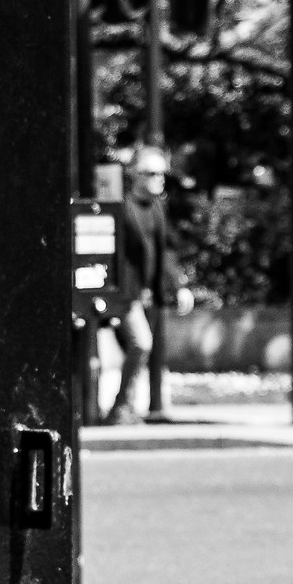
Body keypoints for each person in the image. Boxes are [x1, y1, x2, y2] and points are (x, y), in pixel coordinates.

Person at [105, 144, 170, 424]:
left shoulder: (156, 208)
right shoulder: (123, 207)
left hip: (145, 294)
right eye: (152, 173)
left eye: (162, 173)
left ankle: (125, 406)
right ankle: (120, 407)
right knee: (141, 344)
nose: (159, 178)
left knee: (138, 347)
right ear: (135, 175)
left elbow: (164, 250)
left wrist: (172, 287)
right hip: (125, 294)